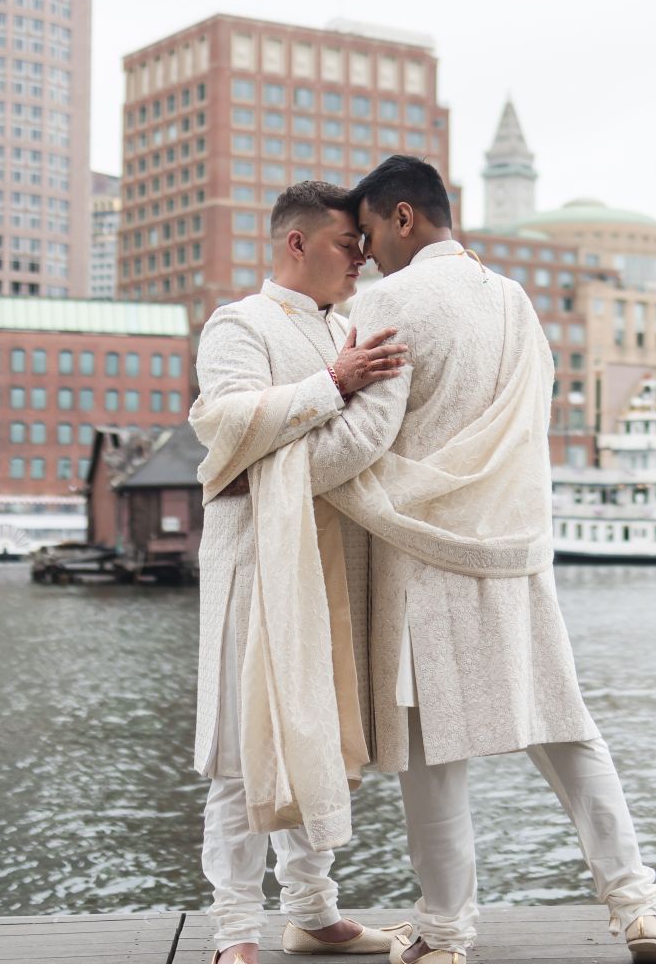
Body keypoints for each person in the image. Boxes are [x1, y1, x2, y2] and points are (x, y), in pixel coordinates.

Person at [300, 156, 656, 964]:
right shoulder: (514, 300)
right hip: (512, 552)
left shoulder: (388, 304)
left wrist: (273, 455)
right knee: (568, 733)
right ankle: (637, 903)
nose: (366, 253)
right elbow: (532, 420)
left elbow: (364, 437)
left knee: (434, 758)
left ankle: (445, 934)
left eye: (369, 232)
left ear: (404, 218)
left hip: (422, 552)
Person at [190, 181, 408, 964]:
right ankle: (234, 934)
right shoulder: (237, 325)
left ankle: (313, 911)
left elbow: (349, 445)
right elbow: (226, 430)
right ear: (296, 243)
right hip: (254, 561)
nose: (361, 256)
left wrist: (313, 413)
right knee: (242, 748)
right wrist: (333, 386)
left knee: (327, 732)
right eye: (347, 243)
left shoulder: (355, 327)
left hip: (336, 557)